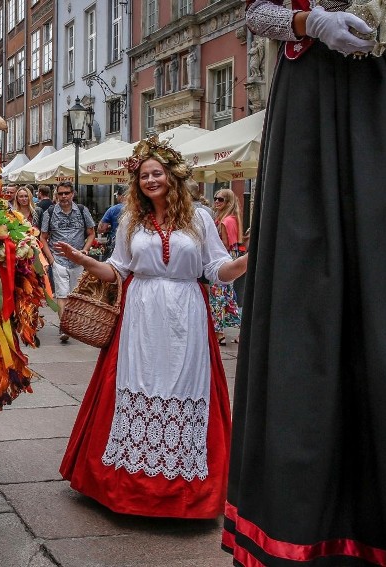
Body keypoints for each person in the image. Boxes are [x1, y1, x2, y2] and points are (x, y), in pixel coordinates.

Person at [224, 3, 386, 565]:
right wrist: (311, 23)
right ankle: (309, 522)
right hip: (316, 91)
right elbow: (258, 10)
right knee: (309, 296)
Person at [58, 136, 248, 519]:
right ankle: (129, 490)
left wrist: (250, 259)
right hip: (140, 314)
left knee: (183, 386)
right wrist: (83, 260)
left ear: (171, 176)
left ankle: (185, 494)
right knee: (138, 383)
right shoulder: (130, 220)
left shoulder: (199, 218)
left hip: (186, 313)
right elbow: (117, 271)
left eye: (156, 173)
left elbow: (216, 270)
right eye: (144, 175)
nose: (150, 180)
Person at [39, 181, 95, 342]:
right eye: (61, 193)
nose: (64, 196)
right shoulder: (50, 211)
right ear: (56, 194)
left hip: (77, 259)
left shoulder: (82, 210)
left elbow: (91, 233)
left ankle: (74, 325)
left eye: (67, 193)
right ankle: (65, 327)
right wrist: (51, 259)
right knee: (62, 295)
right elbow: (43, 237)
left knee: (75, 295)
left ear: (73, 194)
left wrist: (85, 250)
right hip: (59, 260)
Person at [208, 189, 243, 345]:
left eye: (220, 199)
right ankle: (240, 332)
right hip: (233, 260)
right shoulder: (234, 219)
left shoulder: (224, 221)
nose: (216, 202)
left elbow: (224, 245)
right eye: (215, 198)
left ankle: (219, 332)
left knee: (217, 297)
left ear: (228, 202)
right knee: (229, 299)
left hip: (223, 262)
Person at [97, 185, 128, 259]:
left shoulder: (112, 209)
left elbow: (101, 229)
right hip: (133, 243)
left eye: (117, 195)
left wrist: (109, 228)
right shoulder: (138, 209)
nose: (116, 197)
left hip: (116, 243)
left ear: (121, 196)